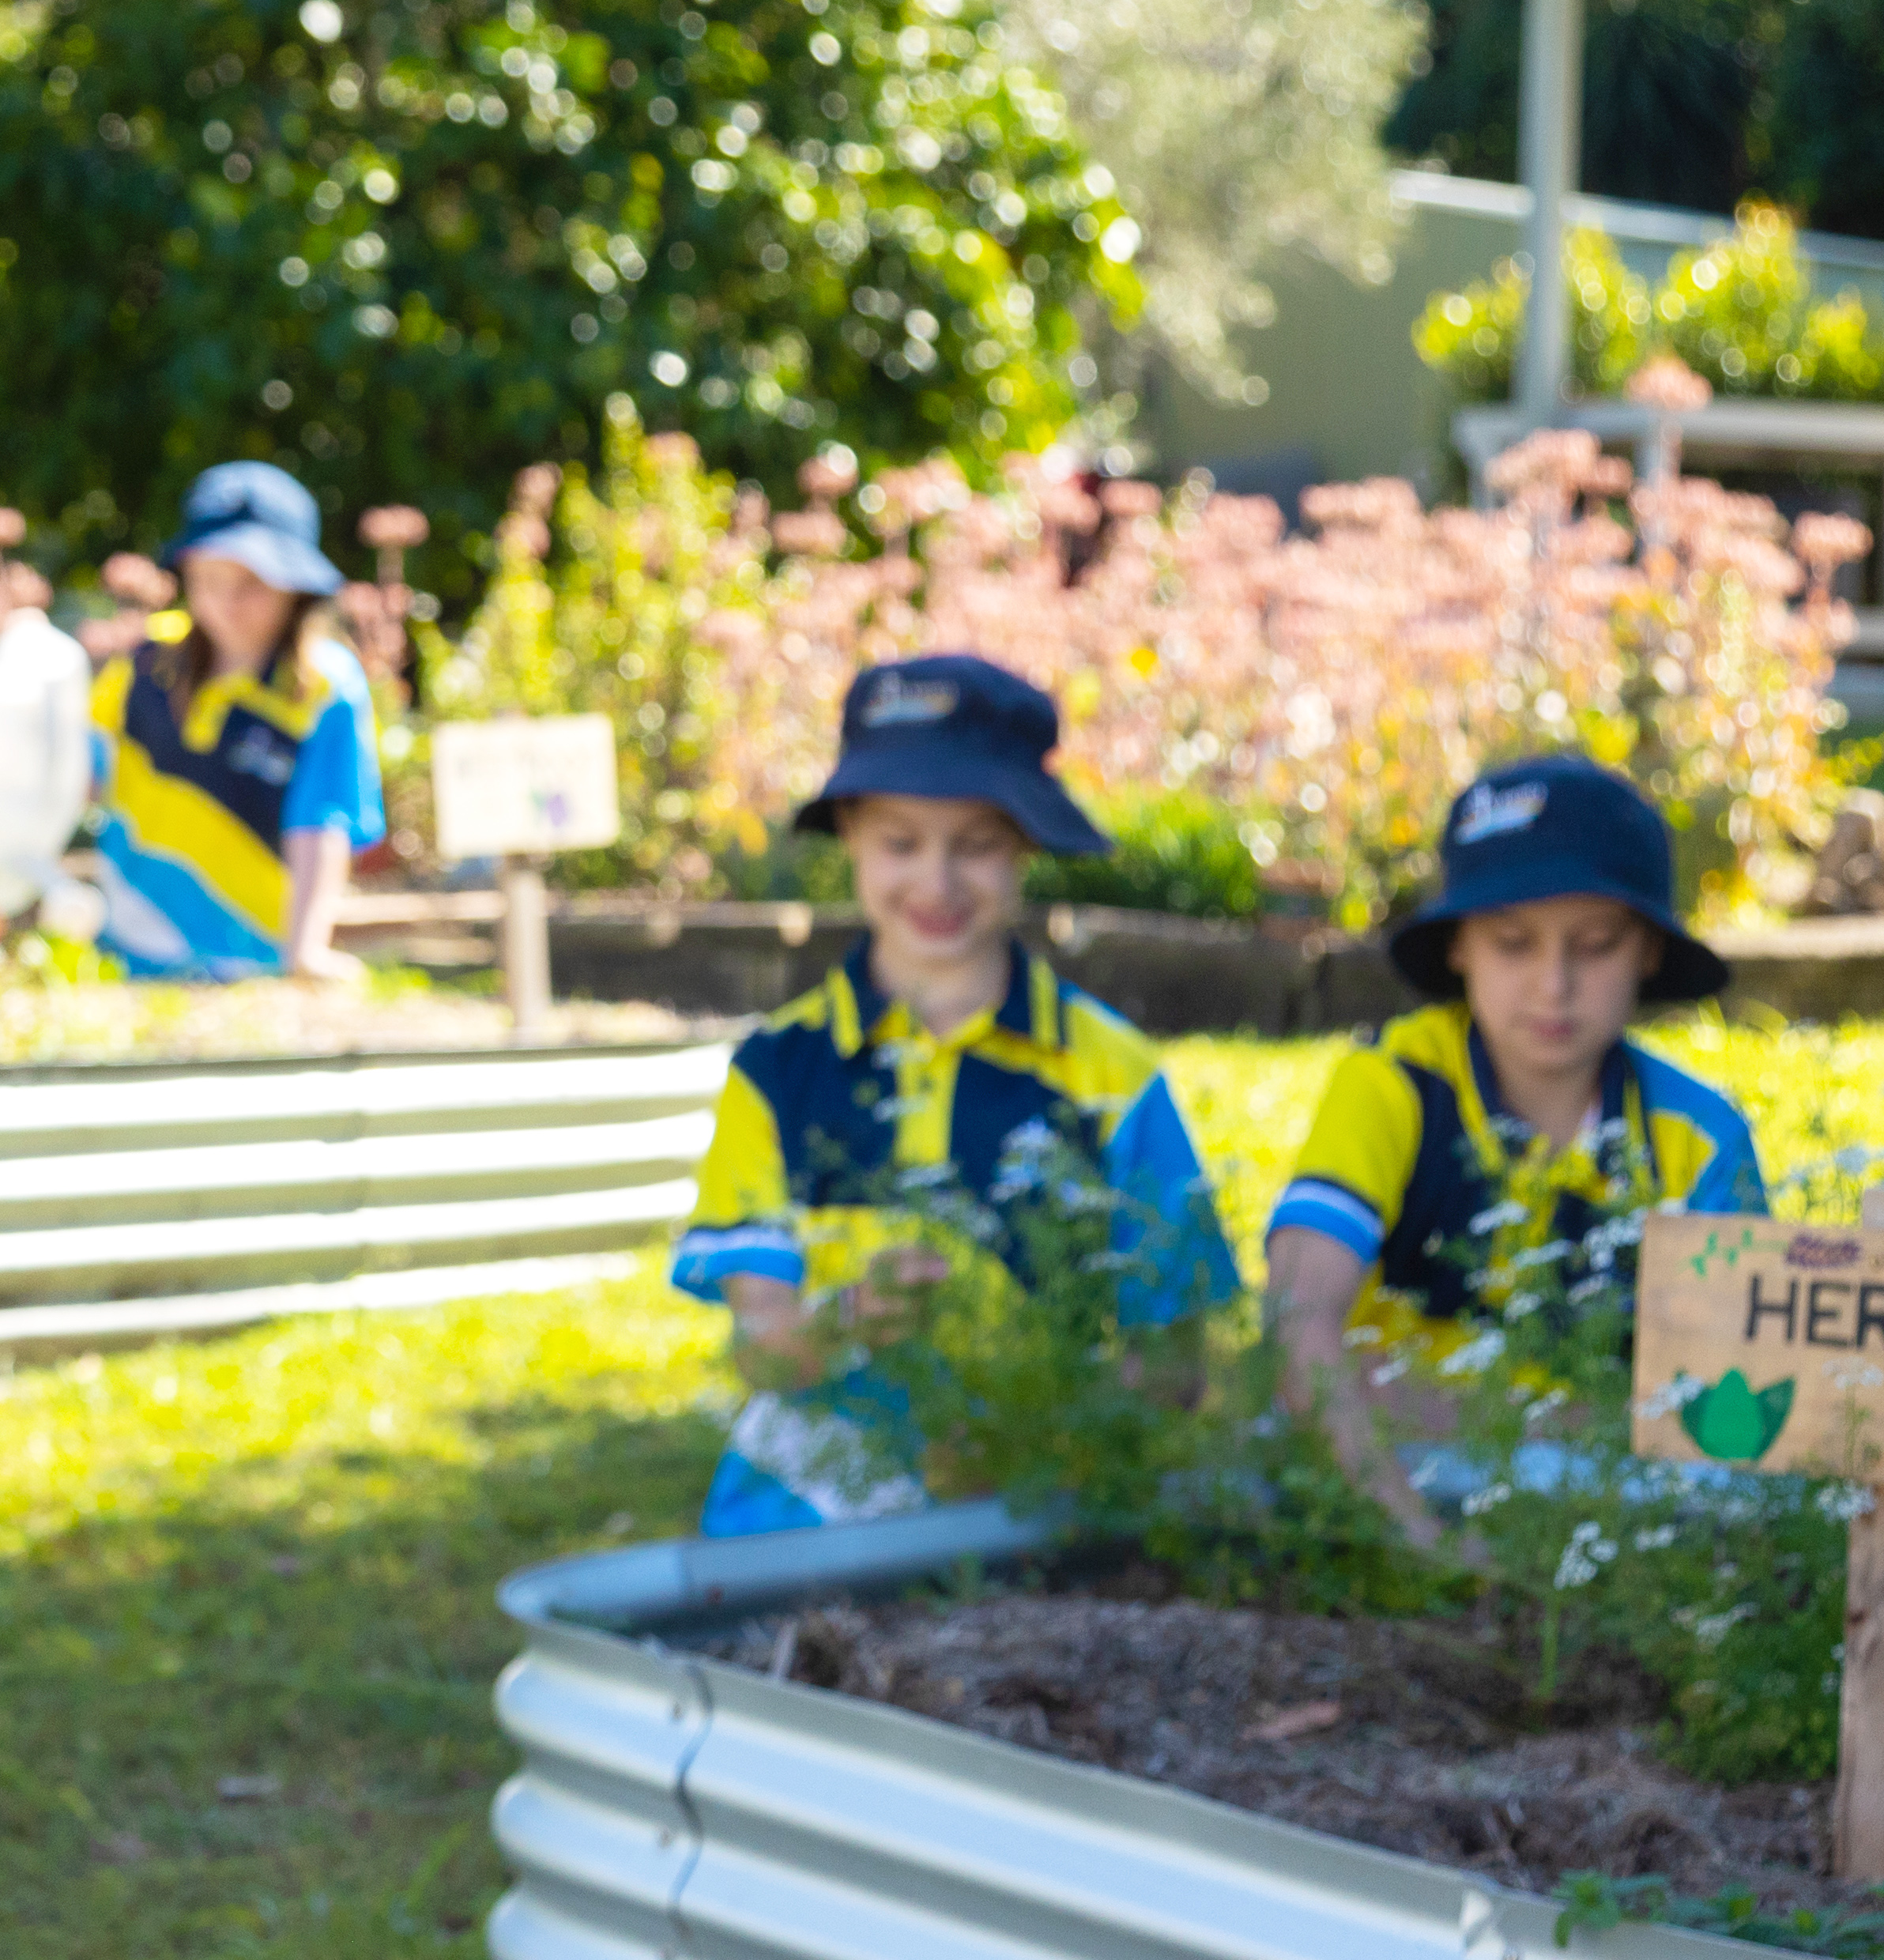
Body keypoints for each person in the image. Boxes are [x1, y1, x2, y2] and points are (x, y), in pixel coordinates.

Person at [667, 655, 1234, 1535]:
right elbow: (761, 1349)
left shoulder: (1113, 1074)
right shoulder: (775, 1070)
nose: (935, 884)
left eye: (975, 844)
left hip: (1027, 1519)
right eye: (900, 842)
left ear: (1025, 846)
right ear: (848, 834)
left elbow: (1174, 1368)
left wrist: (1029, 1423)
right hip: (794, 1520)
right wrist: (847, 1319)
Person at [1265, 755, 1766, 1543]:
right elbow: (1296, 1328)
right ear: (1457, 946)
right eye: (1511, 942)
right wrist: (1421, 1539)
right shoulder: (1389, 1086)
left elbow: (1732, 1427)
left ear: (1648, 950)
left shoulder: (1701, 1140)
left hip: (1621, 1530)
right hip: (1372, 1508)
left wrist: (1425, 1401)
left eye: (1596, 944)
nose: (1552, 984)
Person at [84, 461, 384, 982]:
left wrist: (306, 951)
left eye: (251, 582)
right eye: (208, 578)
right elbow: (81, 777)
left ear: (296, 586)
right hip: (126, 961)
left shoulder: (323, 687)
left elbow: (321, 823)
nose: (227, 602)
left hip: (254, 968)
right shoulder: (144, 662)